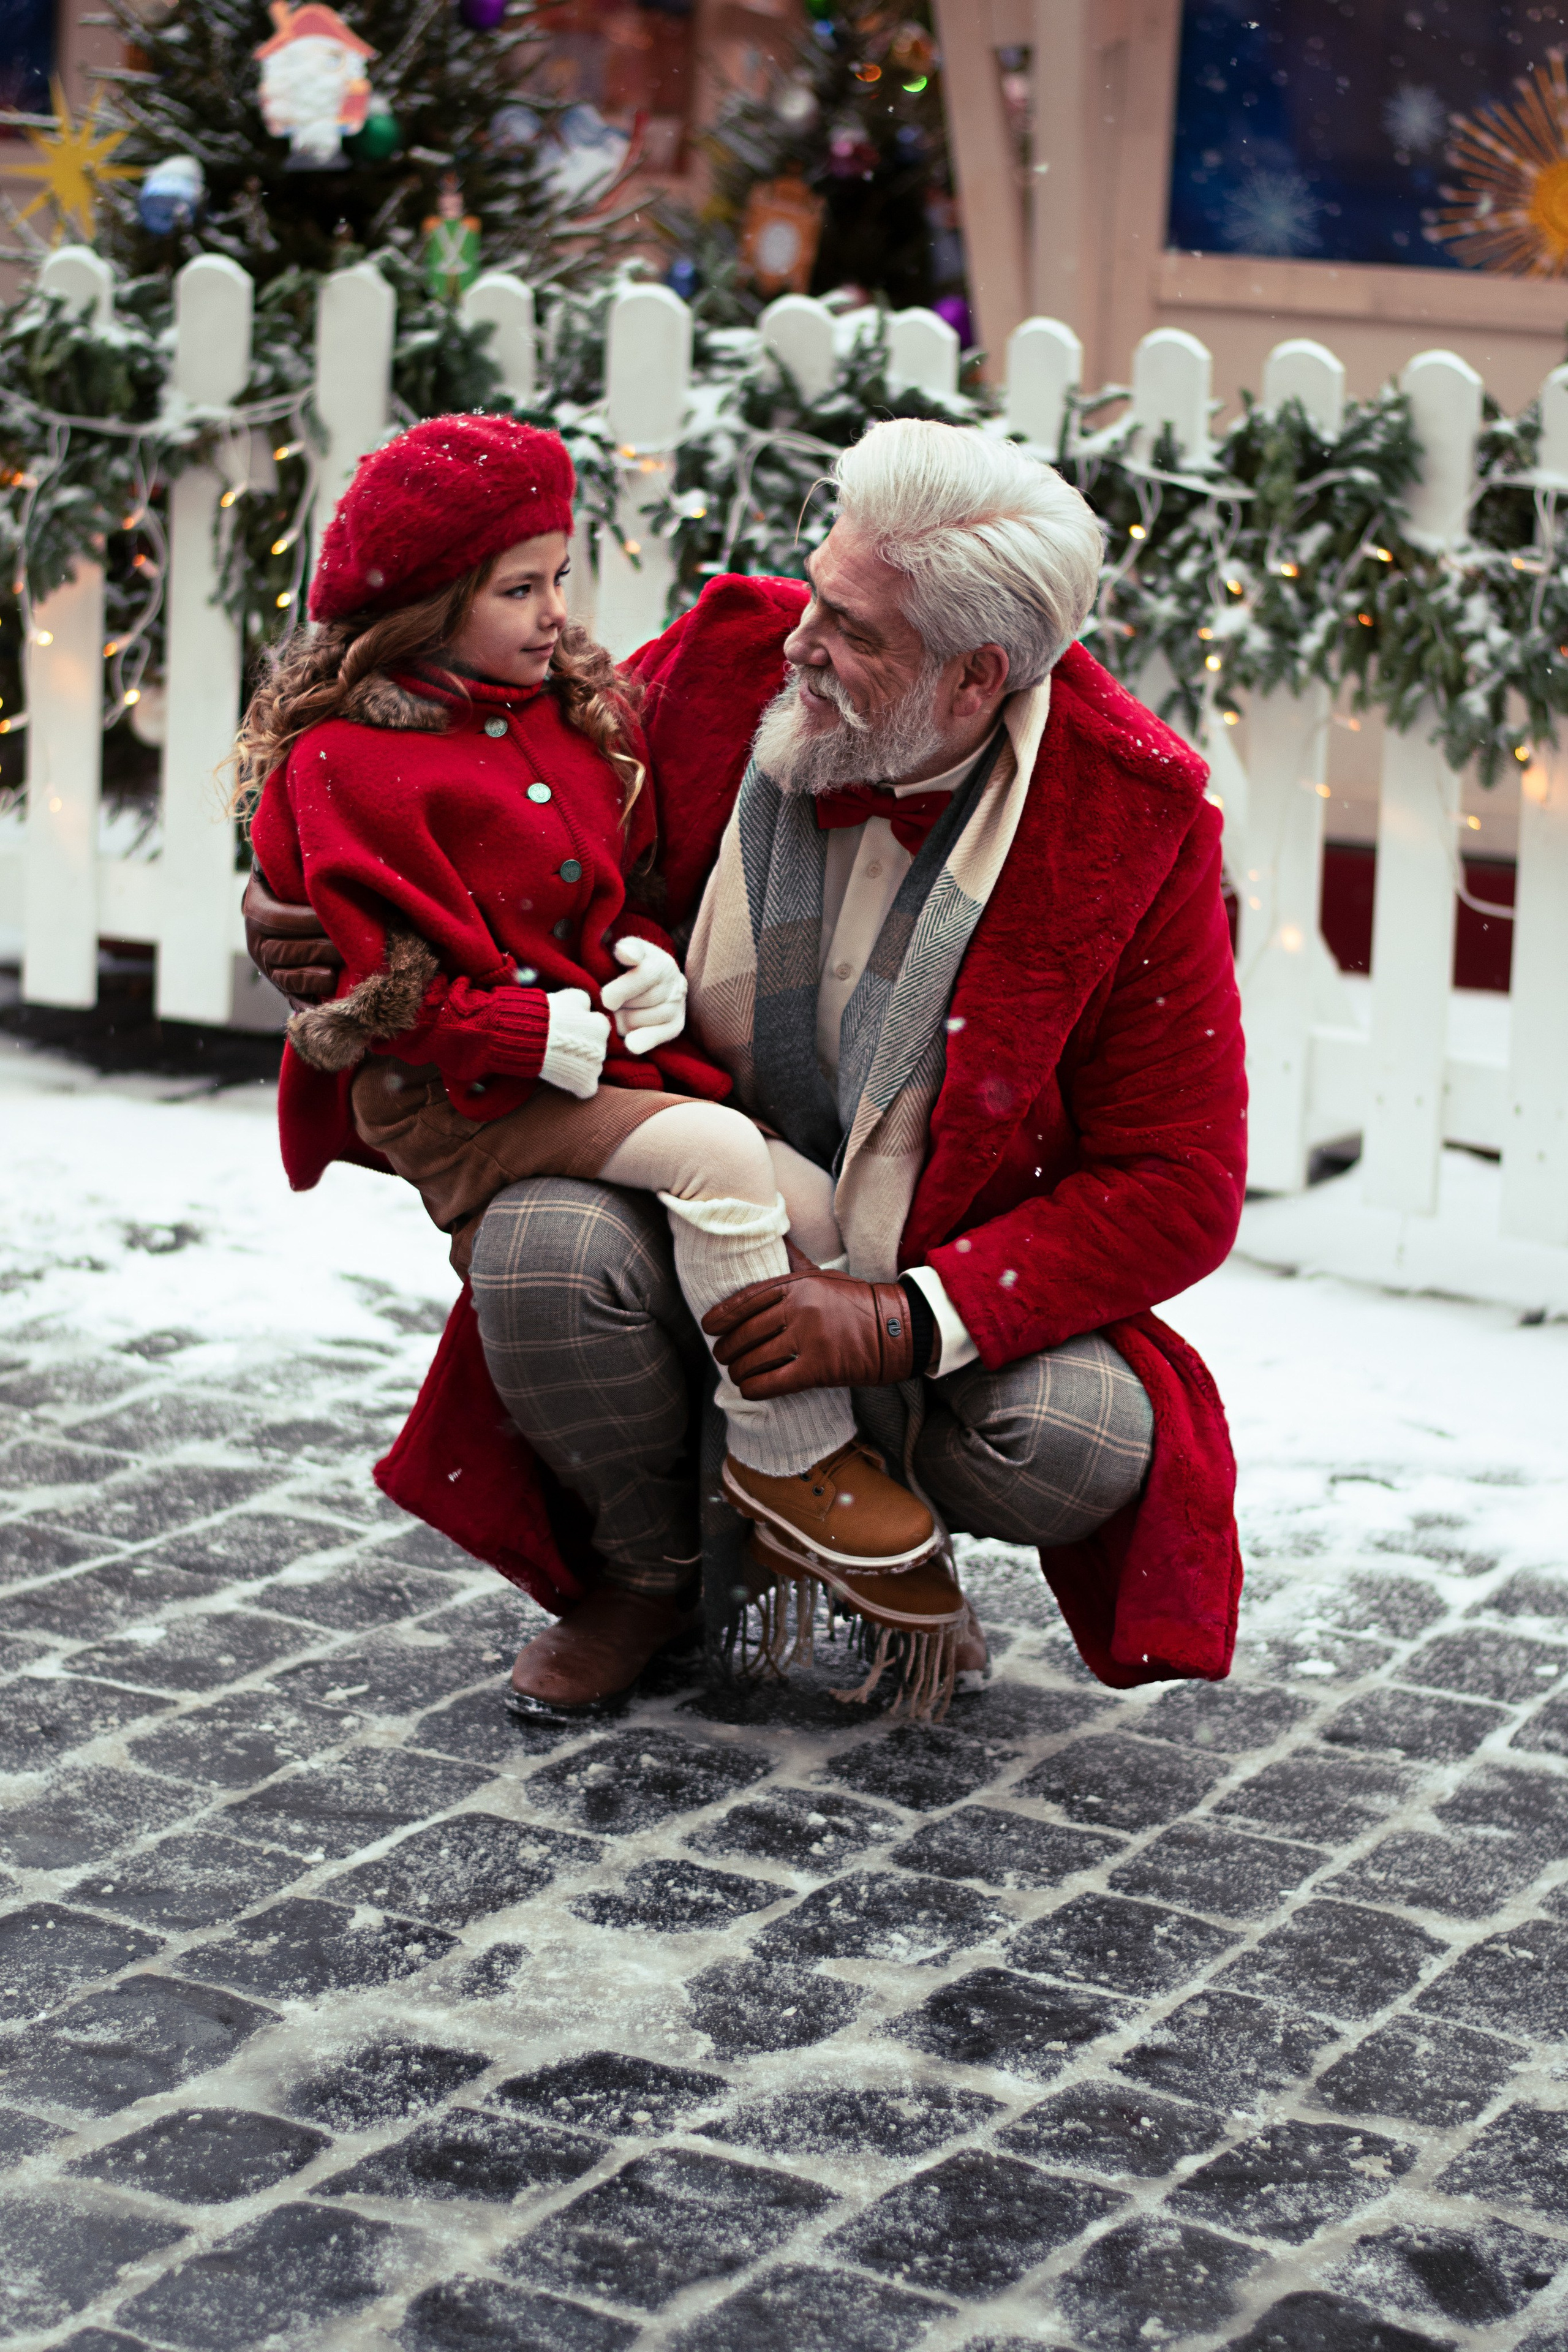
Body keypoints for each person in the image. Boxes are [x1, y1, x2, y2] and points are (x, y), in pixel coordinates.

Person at [247, 417, 1248, 1721]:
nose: (799, 642)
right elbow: (432, 777)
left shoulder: (1127, 821)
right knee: (537, 1251)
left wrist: (903, 1318)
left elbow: (1179, 1180)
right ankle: (649, 1569)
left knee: (1079, 1439)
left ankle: (859, 1506)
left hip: (916, 1271)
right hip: (671, 1201)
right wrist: (301, 914)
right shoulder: (724, 663)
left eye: (852, 633)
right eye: (815, 592)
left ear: (973, 678)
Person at [238, 413, 946, 1709]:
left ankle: (846, 1487)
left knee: (804, 1200)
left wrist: (636, 958)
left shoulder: (565, 718)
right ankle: (784, 1460)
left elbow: (598, 888)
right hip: (457, 1100)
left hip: (567, 1067)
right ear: (422, 604)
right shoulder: (349, 762)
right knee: (723, 1154)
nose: (554, 614)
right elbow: (360, 976)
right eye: (519, 589)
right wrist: (511, 1029)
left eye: (559, 578)